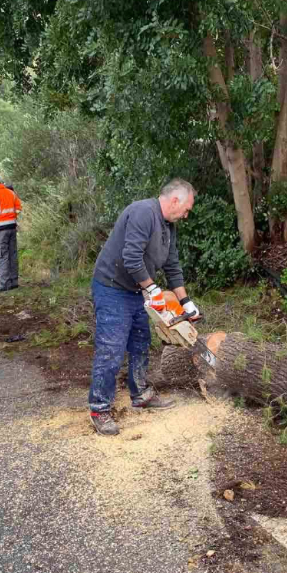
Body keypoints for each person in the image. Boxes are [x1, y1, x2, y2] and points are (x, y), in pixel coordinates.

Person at [88, 179, 202, 436]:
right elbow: (131, 257)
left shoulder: (168, 226)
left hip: (135, 289)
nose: (186, 215)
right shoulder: (143, 212)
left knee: (140, 341)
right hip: (111, 287)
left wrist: (186, 302)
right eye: (186, 209)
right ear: (175, 200)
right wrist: (152, 289)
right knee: (111, 349)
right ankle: (99, 408)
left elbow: (172, 265)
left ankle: (140, 394)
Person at [0, 175, 22, 292]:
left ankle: (4, 284)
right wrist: (11, 217)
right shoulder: (10, 193)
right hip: (12, 227)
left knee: (1, 256)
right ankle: (14, 282)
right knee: (12, 254)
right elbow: (18, 208)